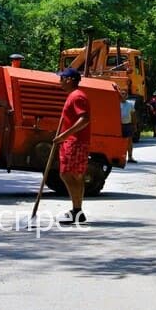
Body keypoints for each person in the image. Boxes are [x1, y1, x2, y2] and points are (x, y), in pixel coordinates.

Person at [53, 67, 91, 224]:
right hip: (73, 141)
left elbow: (85, 119)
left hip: (75, 142)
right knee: (73, 175)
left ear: (70, 80)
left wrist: (64, 135)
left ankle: (77, 210)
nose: (60, 81)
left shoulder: (77, 97)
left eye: (62, 78)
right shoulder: (74, 96)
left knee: (68, 174)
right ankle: (77, 211)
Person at [118, 87, 137, 163]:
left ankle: (130, 157)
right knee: (120, 142)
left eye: (125, 94)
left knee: (129, 141)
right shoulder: (116, 103)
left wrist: (134, 125)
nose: (123, 95)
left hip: (128, 125)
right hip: (119, 126)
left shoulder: (130, 104)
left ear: (127, 96)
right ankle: (120, 157)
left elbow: (133, 115)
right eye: (122, 94)